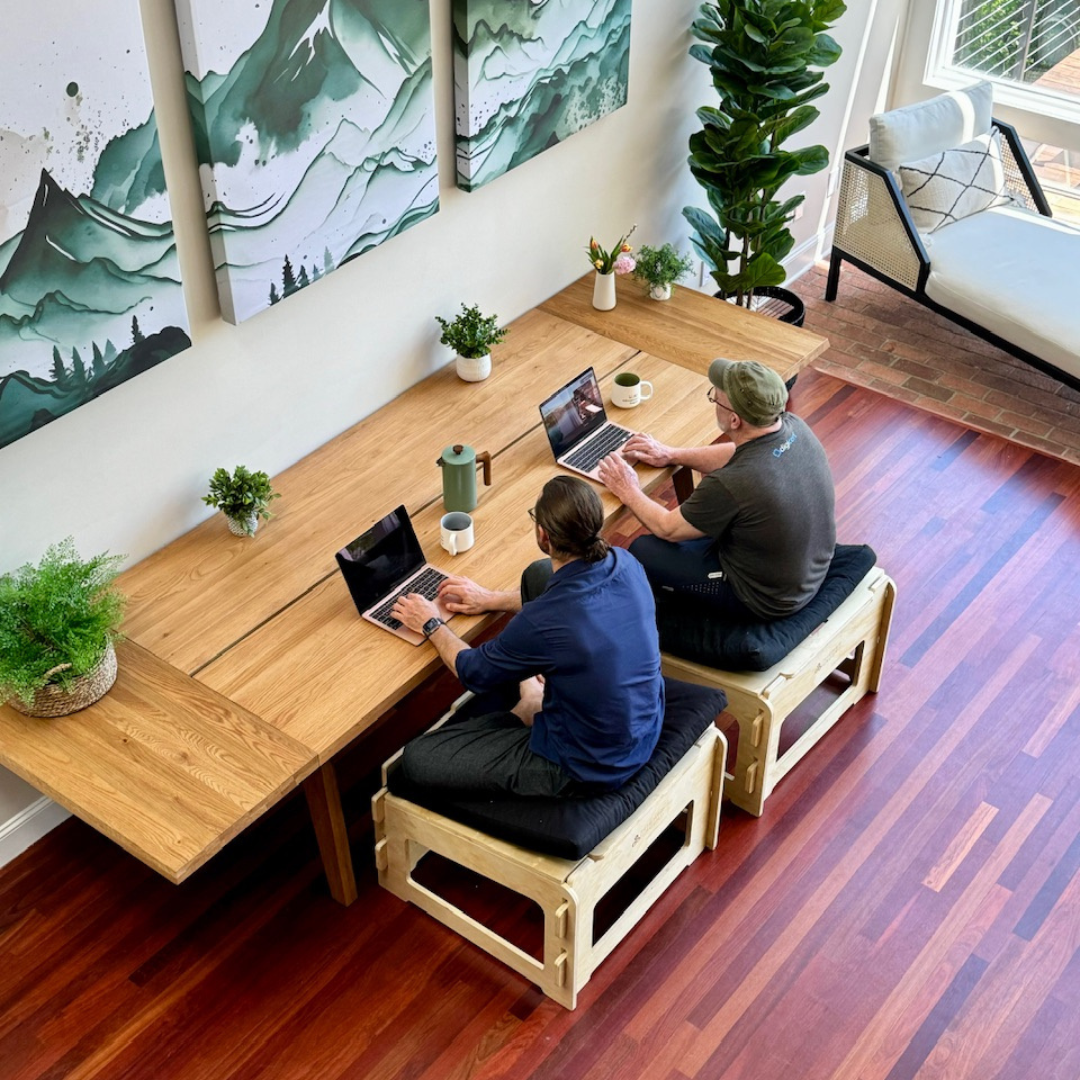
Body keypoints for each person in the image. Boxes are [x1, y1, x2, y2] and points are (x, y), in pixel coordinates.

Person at [390, 475, 665, 798]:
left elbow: (473, 672)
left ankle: (525, 711)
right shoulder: (627, 562)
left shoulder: (544, 621)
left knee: (418, 760)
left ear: (543, 535)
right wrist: (488, 599)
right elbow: (562, 604)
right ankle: (533, 703)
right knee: (539, 574)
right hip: (644, 727)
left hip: (587, 766)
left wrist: (432, 623)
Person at [596, 357, 836, 621]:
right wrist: (672, 454)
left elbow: (667, 527)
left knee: (642, 550)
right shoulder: (794, 427)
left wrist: (627, 488)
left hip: (762, 599)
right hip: (806, 573)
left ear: (734, 420)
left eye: (715, 398)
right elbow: (737, 453)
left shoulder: (734, 482)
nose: (713, 401)